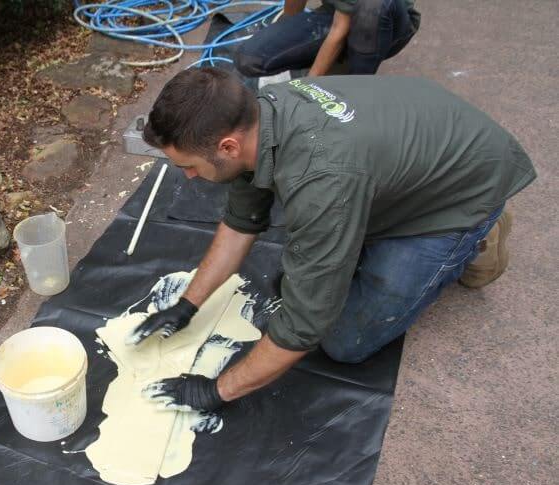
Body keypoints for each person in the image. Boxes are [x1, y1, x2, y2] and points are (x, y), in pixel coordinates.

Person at [129, 68, 536, 412]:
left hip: (464, 187)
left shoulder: (322, 179)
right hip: (406, 151)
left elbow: (304, 326)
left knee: (343, 341)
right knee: (296, 280)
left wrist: (217, 390)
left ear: (228, 146)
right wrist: (188, 303)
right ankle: (392, 208)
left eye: (189, 166)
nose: (189, 177)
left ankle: (478, 233)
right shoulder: (263, 112)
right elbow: (242, 220)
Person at [234, 0, 421, 77]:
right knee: (250, 59)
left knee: (372, 7)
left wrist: (306, 89)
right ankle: (341, 64)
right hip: (336, 14)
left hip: (387, 21)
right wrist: (285, 31)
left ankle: (357, 91)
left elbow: (339, 30)